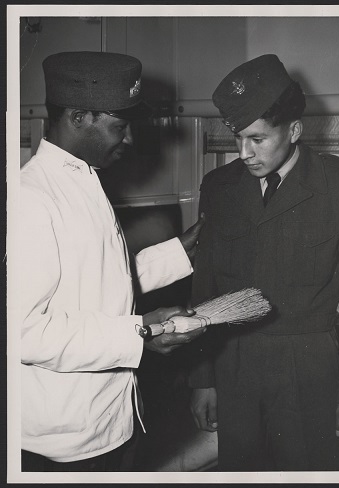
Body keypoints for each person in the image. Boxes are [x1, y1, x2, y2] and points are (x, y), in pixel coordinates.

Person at [189, 54, 339, 471]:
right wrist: (204, 377)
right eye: (238, 137)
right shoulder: (219, 188)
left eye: (257, 139)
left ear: (294, 130)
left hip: (310, 364)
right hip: (233, 361)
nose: (243, 153)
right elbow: (204, 287)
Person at [20, 51, 206, 472]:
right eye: (119, 126)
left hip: (112, 420)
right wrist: (140, 333)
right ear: (78, 116)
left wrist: (182, 250)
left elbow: (96, 281)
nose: (130, 140)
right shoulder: (32, 198)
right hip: (64, 442)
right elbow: (24, 331)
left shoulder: (85, 177)